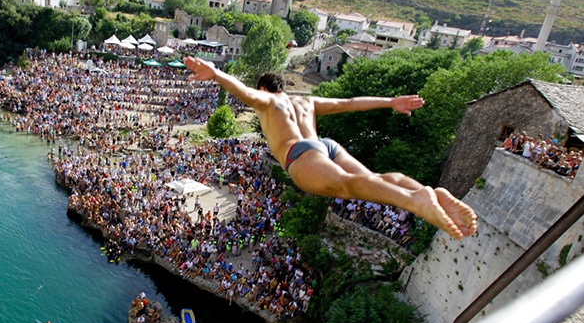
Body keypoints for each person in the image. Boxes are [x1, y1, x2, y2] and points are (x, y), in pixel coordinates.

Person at [183, 56, 477, 240]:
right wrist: (390, 101)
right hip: (325, 145)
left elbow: (243, 91)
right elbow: (348, 104)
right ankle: (422, 191)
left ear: (264, 89)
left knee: (346, 186)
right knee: (373, 180)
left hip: (299, 153)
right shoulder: (305, 101)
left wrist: (218, 75)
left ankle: (417, 200)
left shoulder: (268, 101)